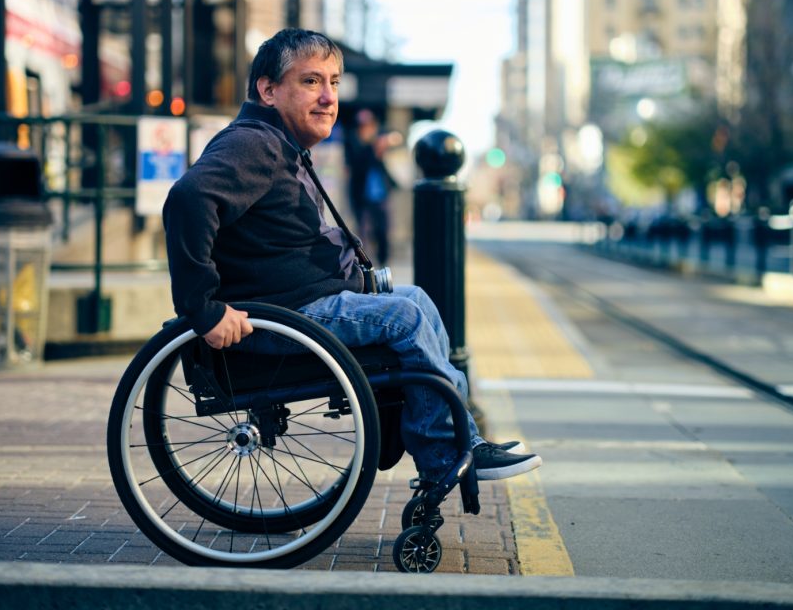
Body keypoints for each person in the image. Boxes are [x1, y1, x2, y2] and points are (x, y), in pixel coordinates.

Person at [163, 28, 541, 483]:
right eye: (311, 82)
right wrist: (203, 308)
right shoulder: (255, 143)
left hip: (296, 302)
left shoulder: (280, 144)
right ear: (268, 89)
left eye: (334, 83)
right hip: (280, 318)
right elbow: (187, 200)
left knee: (416, 299)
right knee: (406, 318)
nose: (328, 97)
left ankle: (461, 438)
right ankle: (445, 456)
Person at [345, 108, 399, 266]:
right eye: (362, 126)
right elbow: (358, 163)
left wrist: (386, 143)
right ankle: (367, 265)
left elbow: (397, 137)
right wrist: (374, 148)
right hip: (361, 197)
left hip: (381, 195)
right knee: (363, 233)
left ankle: (384, 261)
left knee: (383, 231)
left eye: (369, 125)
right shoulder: (354, 143)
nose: (366, 129)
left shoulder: (380, 138)